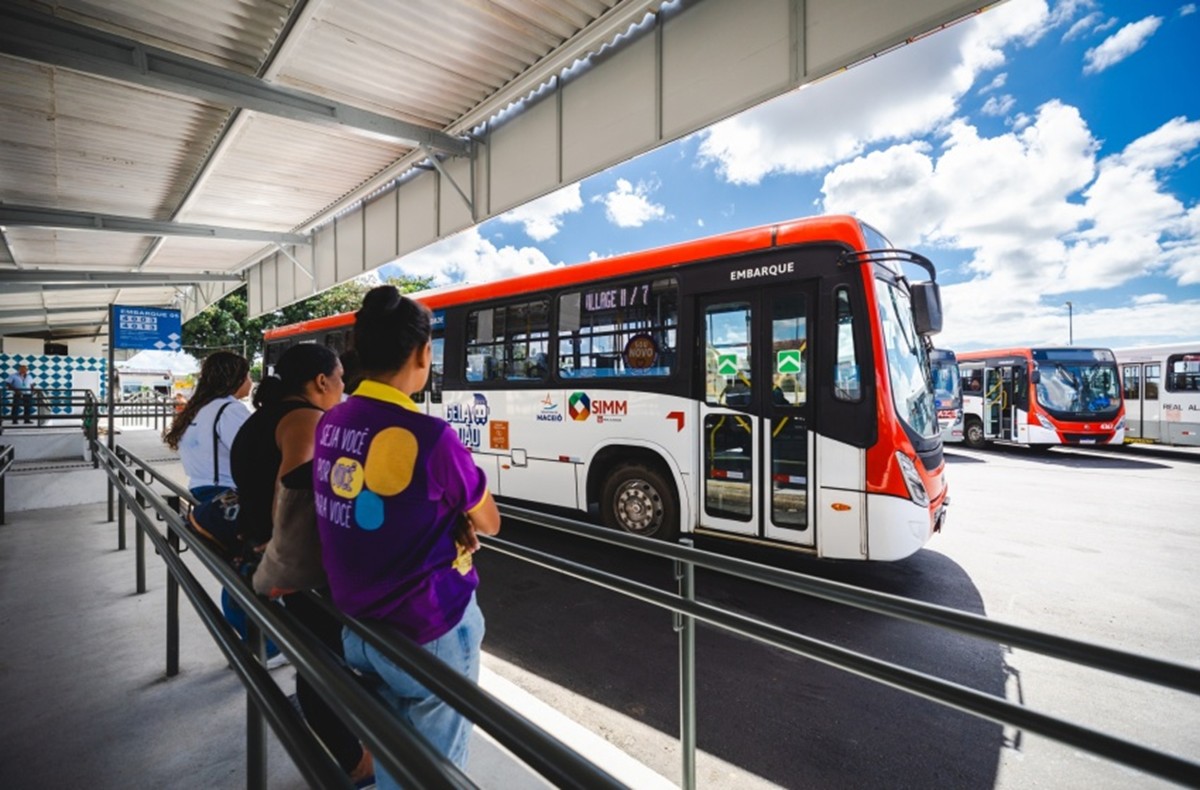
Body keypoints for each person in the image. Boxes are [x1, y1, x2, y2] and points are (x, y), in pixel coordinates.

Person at [314, 285, 501, 783]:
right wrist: (457, 517)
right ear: (423, 354)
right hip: (429, 632)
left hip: (359, 627)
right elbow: (490, 521)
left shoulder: (331, 423)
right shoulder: (432, 437)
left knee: (396, 757)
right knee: (434, 773)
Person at [229, 344, 372, 786]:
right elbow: (287, 491)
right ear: (321, 381)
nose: (345, 386)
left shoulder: (259, 420)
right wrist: (278, 549)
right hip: (298, 568)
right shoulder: (306, 420)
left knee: (316, 654)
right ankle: (352, 760)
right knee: (323, 661)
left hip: (267, 553)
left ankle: (346, 745)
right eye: (341, 377)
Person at [163, 351, 253, 502]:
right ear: (236, 379)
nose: (251, 382)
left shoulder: (199, 407)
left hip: (200, 487)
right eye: (248, 376)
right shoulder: (230, 409)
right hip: (225, 492)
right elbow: (252, 452)